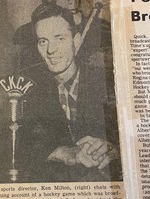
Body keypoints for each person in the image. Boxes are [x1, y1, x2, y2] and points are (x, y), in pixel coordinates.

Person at [18, 2, 122, 182]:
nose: (51, 50)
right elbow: (22, 150)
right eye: (43, 41)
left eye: (59, 38)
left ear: (77, 41)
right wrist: (65, 153)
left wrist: (115, 150)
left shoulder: (109, 82)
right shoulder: (27, 94)